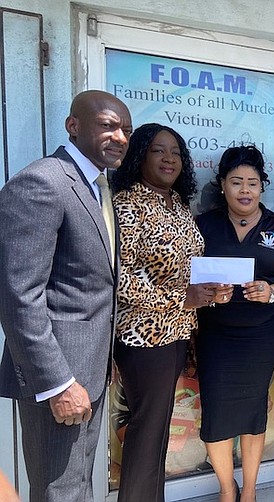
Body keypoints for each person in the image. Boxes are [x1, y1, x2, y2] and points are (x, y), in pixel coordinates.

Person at [0, 90, 132, 501]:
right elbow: (19, 295)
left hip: (87, 372)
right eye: (108, 126)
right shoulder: (43, 182)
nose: (121, 138)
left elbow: (88, 287)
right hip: (59, 378)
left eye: (126, 130)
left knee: (76, 486)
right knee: (60, 491)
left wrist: (102, 358)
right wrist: (56, 383)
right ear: (73, 126)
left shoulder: (96, 187)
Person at [109, 123, 224, 501]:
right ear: (139, 154)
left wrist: (211, 288)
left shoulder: (176, 203)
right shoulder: (125, 202)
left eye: (175, 151)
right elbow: (119, 277)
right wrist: (182, 299)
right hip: (143, 336)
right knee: (146, 431)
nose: (169, 158)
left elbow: (186, 265)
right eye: (158, 150)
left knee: (157, 430)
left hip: (176, 333)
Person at [196, 144, 274, 502]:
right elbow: (186, 276)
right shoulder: (203, 225)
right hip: (215, 336)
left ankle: (251, 491)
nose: (245, 190)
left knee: (254, 410)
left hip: (261, 336)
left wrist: (272, 291)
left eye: (252, 183)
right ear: (223, 185)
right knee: (216, 414)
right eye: (236, 182)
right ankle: (228, 489)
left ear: (262, 187)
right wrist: (208, 292)